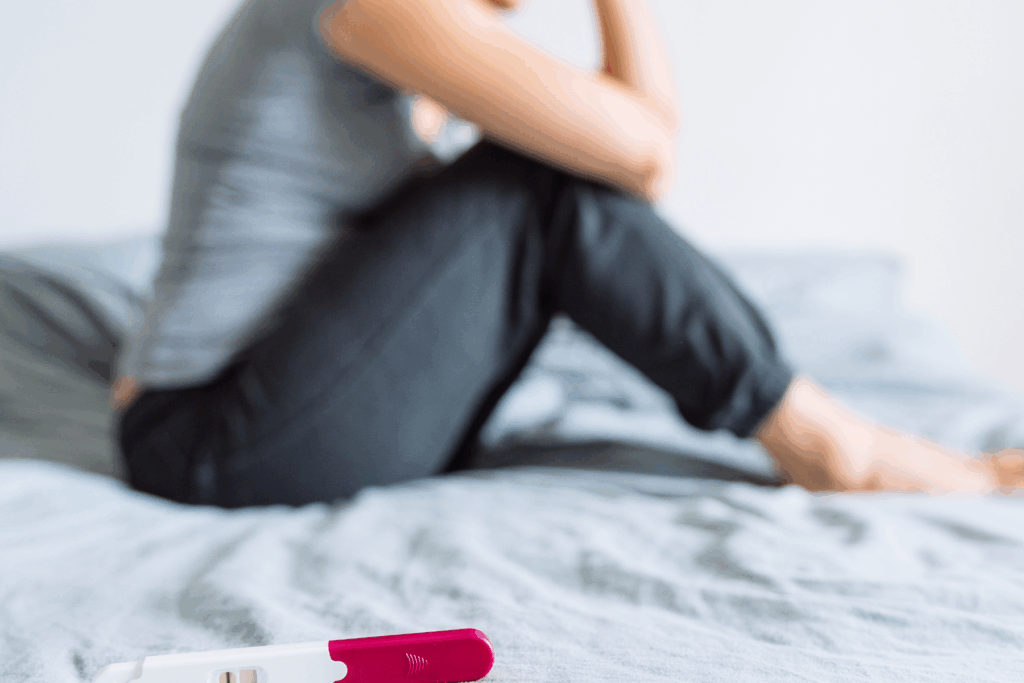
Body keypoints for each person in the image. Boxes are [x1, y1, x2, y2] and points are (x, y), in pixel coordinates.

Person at [112, 0, 1024, 507]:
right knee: (533, 179)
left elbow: (636, 156)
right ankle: (834, 446)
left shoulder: (418, 41)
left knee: (546, 171)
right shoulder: (374, 5)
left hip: (282, 411)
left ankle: (814, 421)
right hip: (209, 437)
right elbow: (641, 155)